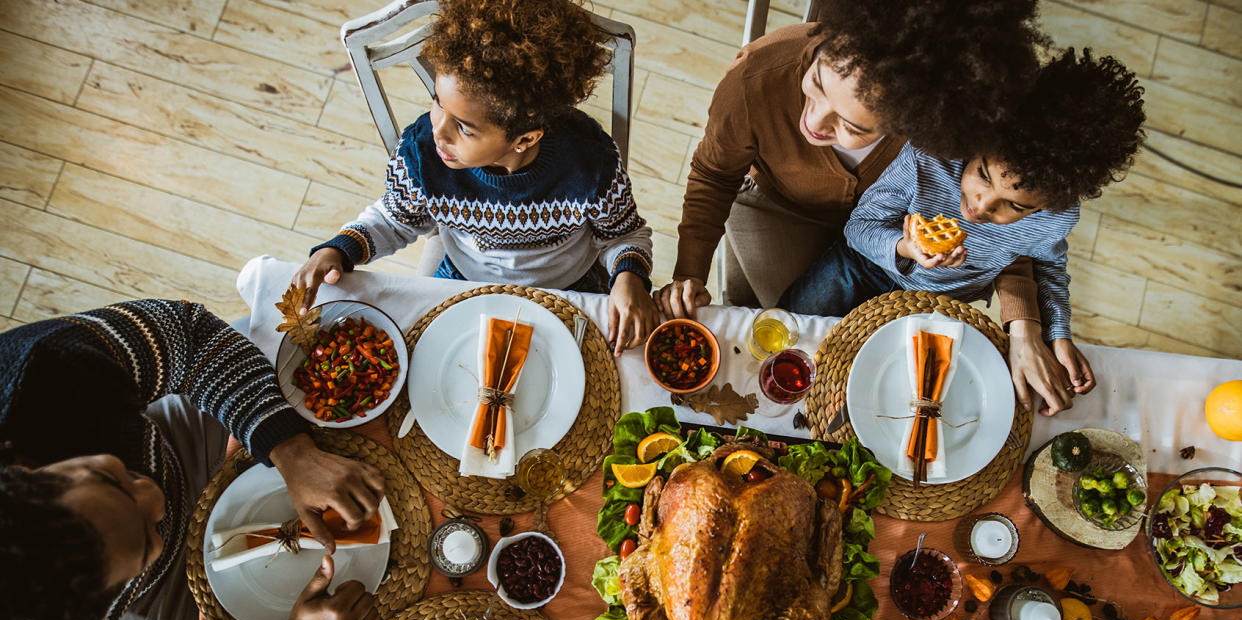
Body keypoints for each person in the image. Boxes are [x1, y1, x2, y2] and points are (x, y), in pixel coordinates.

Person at [0, 300, 385, 620]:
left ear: (23, 468)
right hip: (159, 597)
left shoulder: (40, 372)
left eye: (110, 476)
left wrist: (289, 448)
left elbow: (189, 335)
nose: (153, 498)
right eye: (144, 538)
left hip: (178, 441)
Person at [655, 1, 1089, 414]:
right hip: (783, 207)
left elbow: (1013, 243)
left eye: (852, 126)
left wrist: (1030, 326)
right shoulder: (757, 76)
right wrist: (689, 271)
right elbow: (714, 176)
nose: (813, 123)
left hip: (891, 248)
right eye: (818, 83)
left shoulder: (949, 141)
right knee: (782, 332)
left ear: (918, 125)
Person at [780, 49, 1146, 413]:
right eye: (983, 175)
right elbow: (859, 227)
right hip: (862, 269)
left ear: (1048, 205)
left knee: (888, 393)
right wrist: (905, 248)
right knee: (791, 333)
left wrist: (1057, 333)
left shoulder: (1055, 218)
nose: (982, 206)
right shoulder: (930, 158)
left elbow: (1047, 268)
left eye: (1015, 206)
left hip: (942, 307)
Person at [294, 0, 659, 357]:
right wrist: (338, 249)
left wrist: (629, 276)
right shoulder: (423, 152)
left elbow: (624, 235)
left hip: (569, 284)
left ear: (525, 139)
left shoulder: (590, 162)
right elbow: (395, 219)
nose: (438, 130)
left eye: (465, 129)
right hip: (463, 277)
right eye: (437, 101)